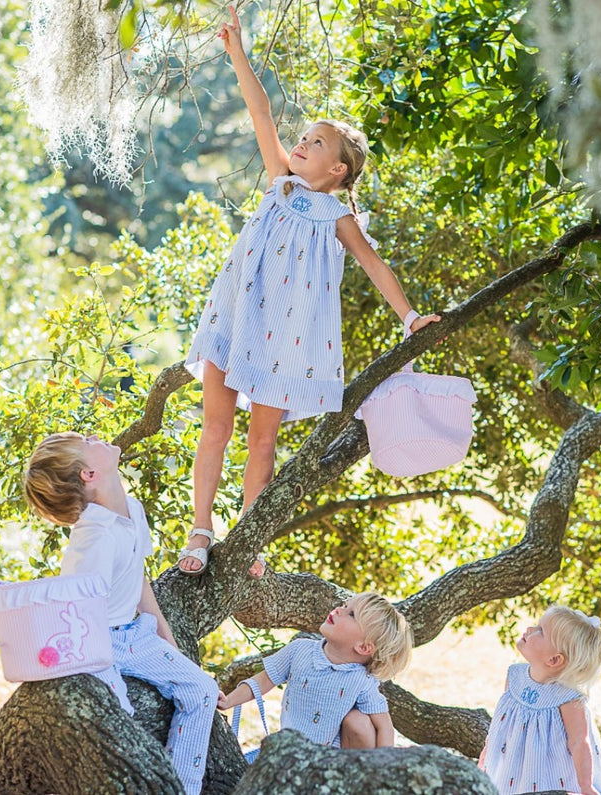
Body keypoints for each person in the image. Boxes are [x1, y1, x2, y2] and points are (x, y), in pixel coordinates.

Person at [178, 5, 440, 575]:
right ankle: (200, 531)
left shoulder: (333, 216)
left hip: (284, 339)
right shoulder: (280, 185)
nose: (301, 143)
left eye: (316, 142)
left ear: (339, 169)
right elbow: (261, 109)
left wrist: (410, 316)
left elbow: (374, 264)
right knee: (215, 426)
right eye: (303, 137)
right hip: (236, 315)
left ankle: (249, 541)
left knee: (262, 444)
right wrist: (237, 53)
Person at [24, 431, 220, 795]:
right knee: (118, 718)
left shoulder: (133, 511)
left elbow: (138, 580)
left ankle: (181, 788)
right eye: (86, 440)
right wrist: (101, 674)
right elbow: (78, 611)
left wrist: (169, 642)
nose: (95, 436)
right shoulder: (94, 537)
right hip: (99, 642)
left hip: (136, 634)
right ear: (89, 474)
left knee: (202, 689)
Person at [217, 592, 413, 750]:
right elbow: (263, 680)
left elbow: (384, 725)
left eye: (351, 614)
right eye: (345, 605)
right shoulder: (299, 650)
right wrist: (228, 700)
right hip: (292, 750)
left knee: (359, 721)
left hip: (331, 760)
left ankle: (359, 782)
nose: (339, 610)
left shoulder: (361, 680)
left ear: (363, 647)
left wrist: (385, 766)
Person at [478, 606, 601, 795]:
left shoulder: (568, 699)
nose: (530, 629)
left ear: (554, 660)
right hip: (512, 767)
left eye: (541, 631)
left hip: (550, 776)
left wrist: (586, 786)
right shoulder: (515, 677)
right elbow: (503, 722)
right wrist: (488, 751)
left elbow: (579, 743)